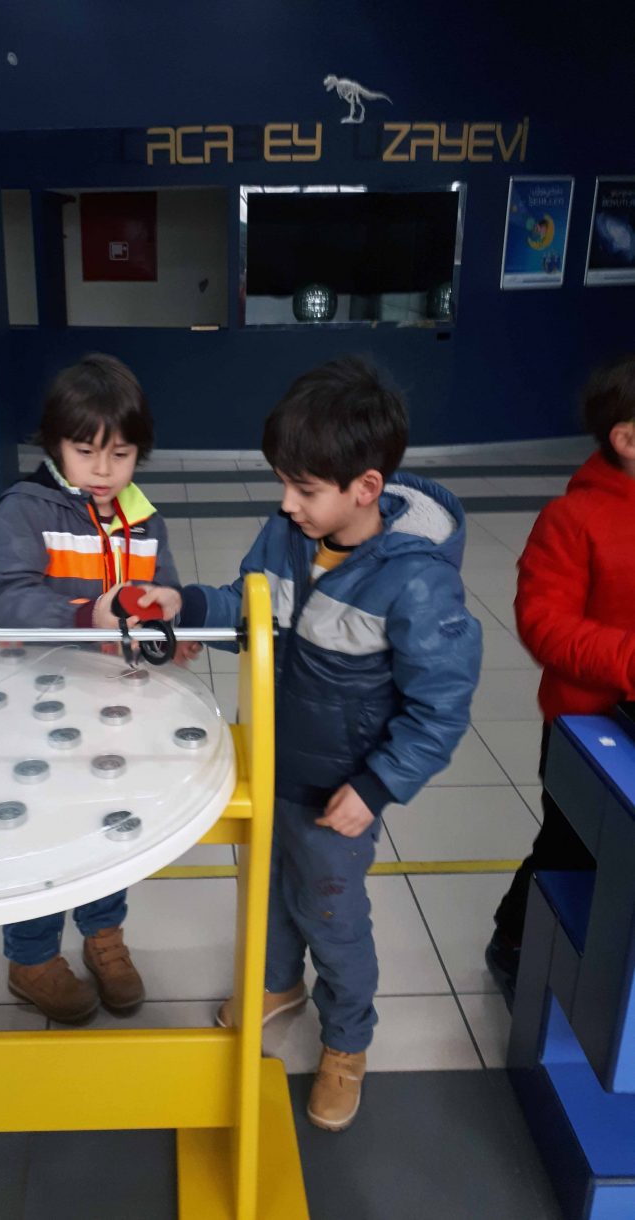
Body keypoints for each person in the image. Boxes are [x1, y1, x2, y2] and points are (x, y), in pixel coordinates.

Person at [169, 357, 482, 1131]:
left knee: (333, 917)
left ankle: (347, 1042)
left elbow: (440, 708)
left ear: (366, 488)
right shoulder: (285, 535)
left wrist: (375, 788)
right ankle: (279, 985)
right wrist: (184, 606)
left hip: (342, 790)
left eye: (304, 489)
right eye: (284, 483)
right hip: (272, 765)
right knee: (271, 891)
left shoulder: (415, 582)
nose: (286, 502)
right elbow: (249, 612)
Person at [0, 353, 181, 1022]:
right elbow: (4, 594)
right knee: (41, 827)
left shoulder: (144, 518)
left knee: (111, 821)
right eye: (86, 451)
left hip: (116, 705)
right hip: (37, 706)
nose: (103, 469)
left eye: (120, 454)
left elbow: (162, 591)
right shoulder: (25, 509)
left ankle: (104, 936)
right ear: (54, 444)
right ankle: (32, 957)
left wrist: (170, 630)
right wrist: (84, 615)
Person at [486, 355, 635, 1006]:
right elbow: (544, 626)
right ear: (626, 439)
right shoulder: (572, 520)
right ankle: (515, 940)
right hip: (588, 733)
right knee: (570, 849)